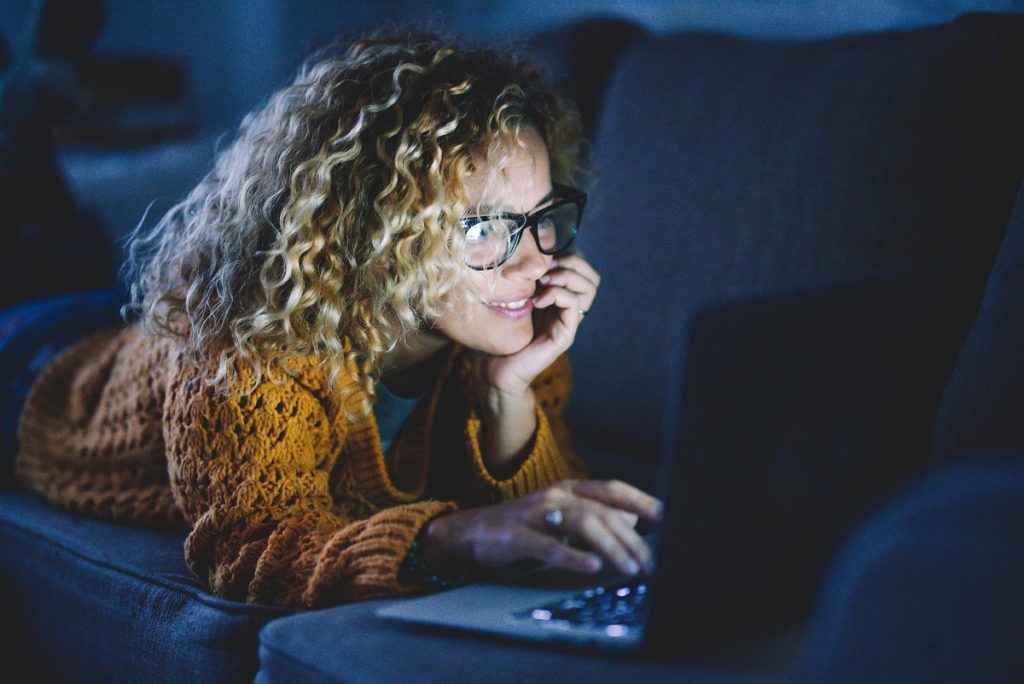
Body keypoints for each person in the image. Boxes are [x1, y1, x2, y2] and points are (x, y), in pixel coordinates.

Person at [13, 33, 662, 609]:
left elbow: (555, 523)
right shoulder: (249, 348)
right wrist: (451, 536)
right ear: (372, 230)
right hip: (45, 370)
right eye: (484, 227)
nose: (532, 259)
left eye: (541, 216)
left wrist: (506, 392)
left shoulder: (508, 316)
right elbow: (252, 547)